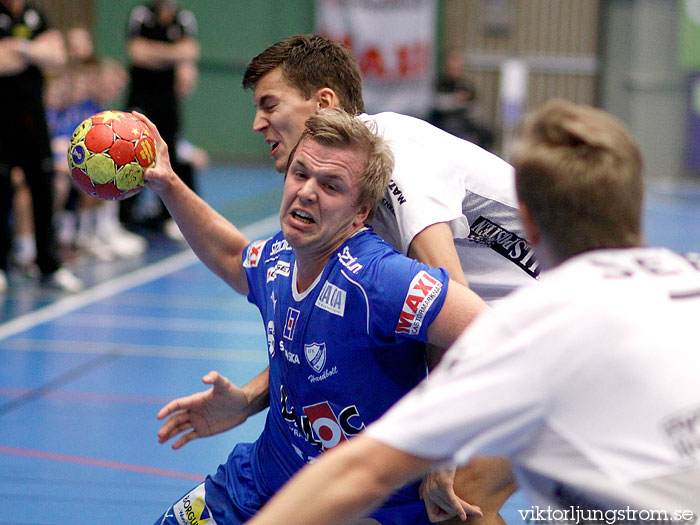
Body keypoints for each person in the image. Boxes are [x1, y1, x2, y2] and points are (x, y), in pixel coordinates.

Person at [244, 99, 700, 524]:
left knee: (455, 500)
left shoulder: (533, 337)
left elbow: (361, 471)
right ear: (639, 203)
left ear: (527, 218)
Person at [240, 34, 538, 522]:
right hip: (520, 334)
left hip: (565, 330)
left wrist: (439, 445)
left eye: (270, 105)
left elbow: (450, 295)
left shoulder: (397, 161)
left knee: (458, 495)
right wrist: (249, 399)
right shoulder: (350, 198)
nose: (258, 123)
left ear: (324, 104)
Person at [141, 107, 488, 524]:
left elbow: (499, 341)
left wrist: (445, 445)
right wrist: (169, 184)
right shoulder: (281, 258)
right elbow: (234, 256)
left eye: (330, 185)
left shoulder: (381, 280)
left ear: (361, 212)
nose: (306, 191)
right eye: (300, 173)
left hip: (363, 511)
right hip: (260, 482)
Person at [0, 0, 83, 293]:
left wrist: (18, 48)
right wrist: (35, 50)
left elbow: (57, 56)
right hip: (1, 118)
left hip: (33, 118)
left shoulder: (36, 14)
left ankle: (48, 265)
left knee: (43, 188)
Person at [121, 0, 199, 239]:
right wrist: (174, 54)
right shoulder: (141, 15)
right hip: (141, 99)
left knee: (170, 154)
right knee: (131, 153)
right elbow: (137, 54)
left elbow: (191, 52)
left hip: (168, 101)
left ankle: (167, 217)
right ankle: (124, 219)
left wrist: (155, 53)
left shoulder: (184, 19)